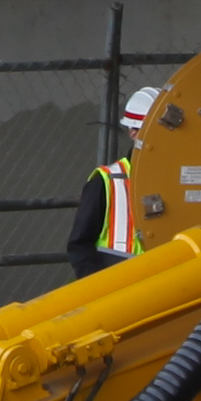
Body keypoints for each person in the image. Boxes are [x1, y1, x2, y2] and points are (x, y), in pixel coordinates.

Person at [64, 86, 165, 280]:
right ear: (133, 132)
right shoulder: (107, 181)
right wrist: (97, 286)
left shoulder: (179, 178)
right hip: (118, 285)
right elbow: (80, 245)